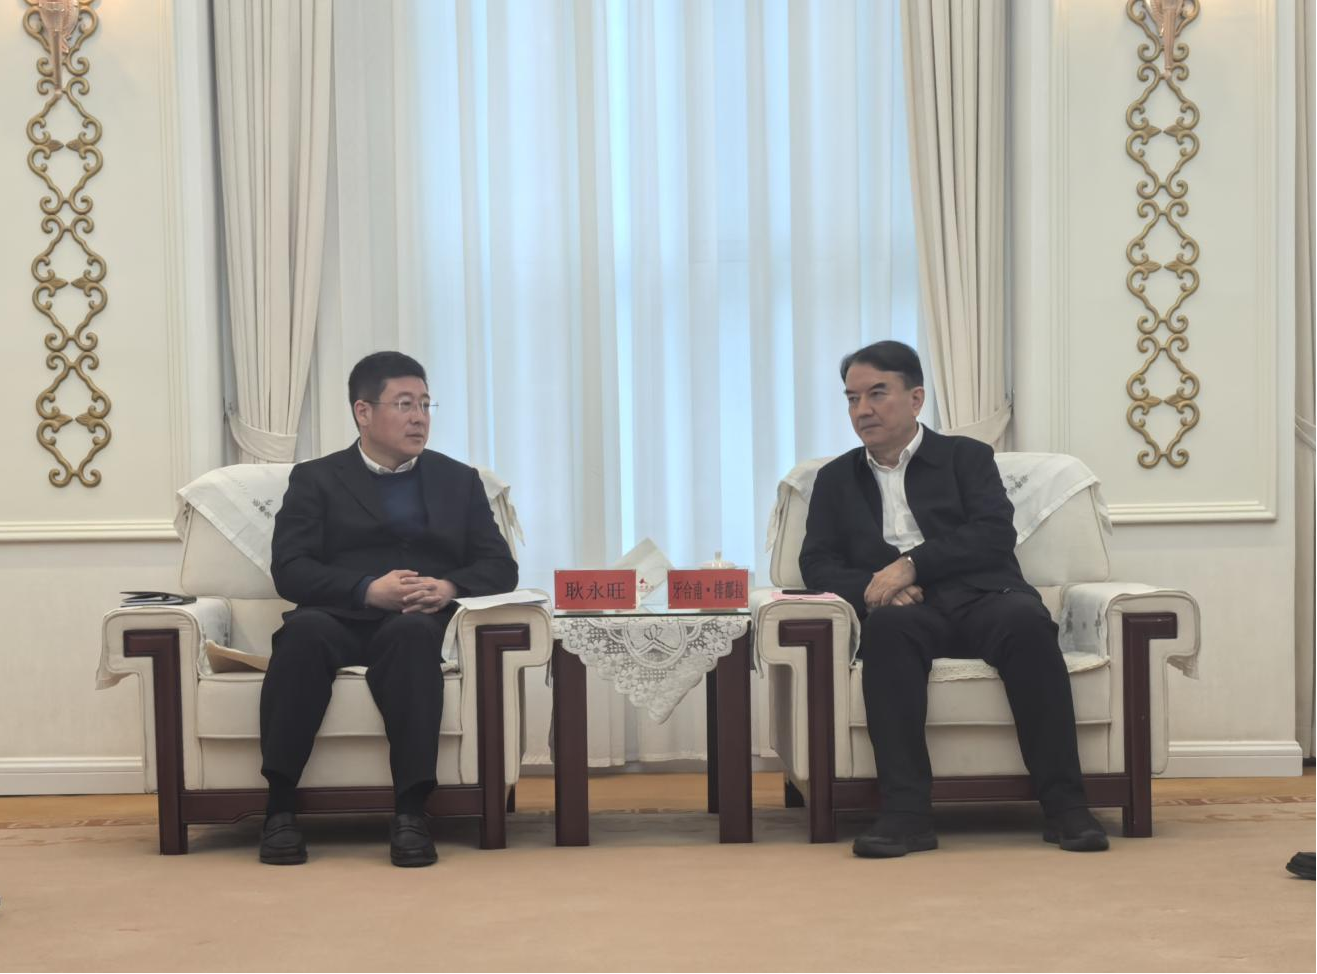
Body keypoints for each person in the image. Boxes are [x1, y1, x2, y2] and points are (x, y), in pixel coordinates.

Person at [800, 340, 1108, 858]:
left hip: (983, 596)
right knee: (886, 631)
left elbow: (993, 533)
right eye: (852, 398)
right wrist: (878, 587)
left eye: (877, 393)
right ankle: (905, 815)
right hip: (906, 612)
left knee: (1028, 624)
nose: (863, 409)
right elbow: (817, 563)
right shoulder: (835, 480)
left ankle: (1066, 807)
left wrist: (911, 565)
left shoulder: (966, 457)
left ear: (916, 398)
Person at [258, 351, 517, 866]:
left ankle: (411, 813)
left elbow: (500, 567)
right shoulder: (316, 479)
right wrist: (365, 589)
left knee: (413, 635)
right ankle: (280, 808)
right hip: (338, 616)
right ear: (363, 412)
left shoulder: (459, 480)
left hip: (417, 621)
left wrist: (448, 586)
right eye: (404, 404)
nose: (419, 417)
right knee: (302, 634)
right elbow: (289, 569)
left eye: (425, 404)